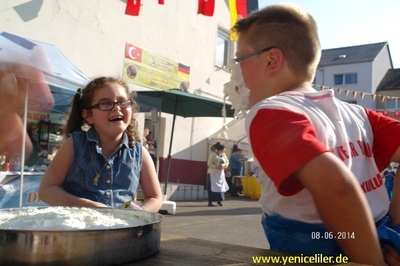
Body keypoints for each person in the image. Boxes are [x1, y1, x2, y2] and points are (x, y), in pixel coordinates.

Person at [231, 3, 400, 265]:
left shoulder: (269, 111)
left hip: (314, 248)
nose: (235, 73)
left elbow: (335, 184)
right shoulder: (358, 114)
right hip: (377, 232)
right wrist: (396, 225)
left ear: (271, 60)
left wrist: (371, 261)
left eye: (239, 60)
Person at [39, 77, 162, 212]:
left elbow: (155, 197)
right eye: (105, 104)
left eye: (122, 102)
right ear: (88, 115)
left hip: (122, 230)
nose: (116, 108)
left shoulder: (140, 152)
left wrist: (139, 214)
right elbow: (47, 190)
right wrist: (90, 207)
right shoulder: (74, 145)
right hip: (80, 230)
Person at [206, 142, 229, 206]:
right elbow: (209, 163)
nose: (224, 150)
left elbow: (227, 162)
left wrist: (223, 165)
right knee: (212, 187)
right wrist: (216, 167)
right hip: (212, 174)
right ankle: (210, 201)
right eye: (223, 149)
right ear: (219, 149)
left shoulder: (224, 155)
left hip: (220, 174)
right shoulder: (214, 155)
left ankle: (220, 201)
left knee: (220, 187)